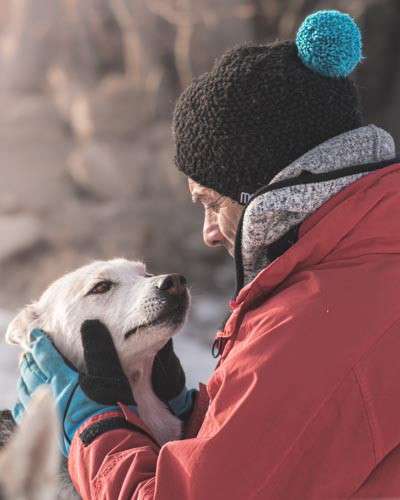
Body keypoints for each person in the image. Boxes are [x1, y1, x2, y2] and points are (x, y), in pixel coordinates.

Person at [13, 10, 400, 499]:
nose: (208, 233)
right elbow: (287, 456)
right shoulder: (361, 263)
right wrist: (190, 418)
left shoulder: (318, 323)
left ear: (271, 192)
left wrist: (95, 432)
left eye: (212, 203)